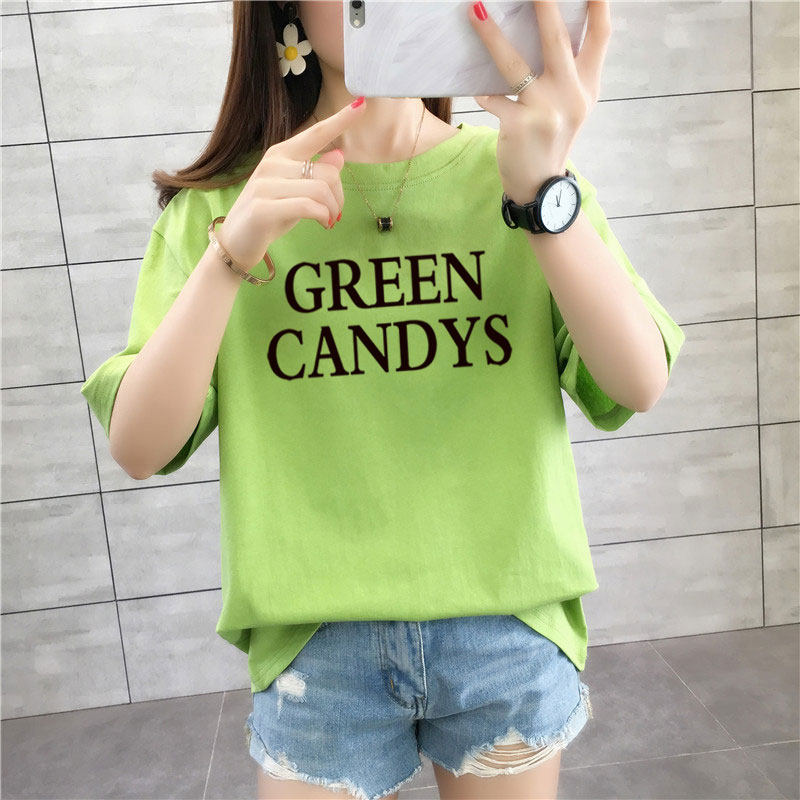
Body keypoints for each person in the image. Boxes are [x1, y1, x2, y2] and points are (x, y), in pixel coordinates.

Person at [80, 2, 685, 799]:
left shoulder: (518, 174)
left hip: (505, 624)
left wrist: (545, 193)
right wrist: (230, 255)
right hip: (317, 642)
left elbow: (637, 382)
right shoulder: (226, 209)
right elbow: (139, 448)